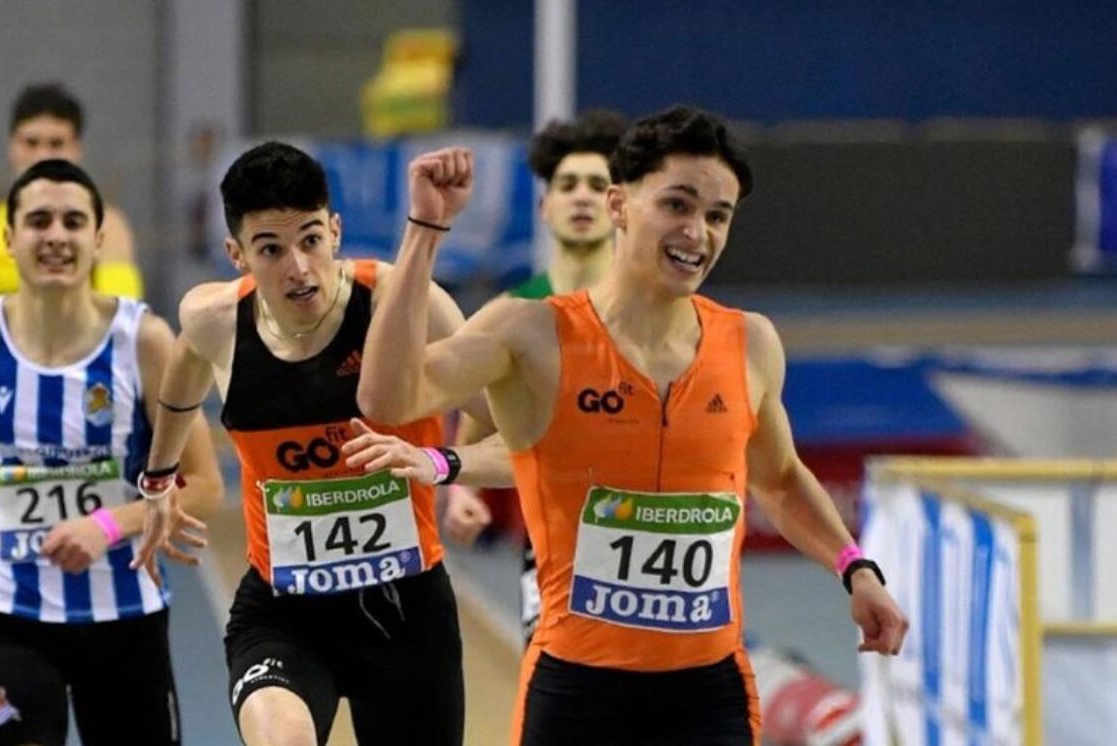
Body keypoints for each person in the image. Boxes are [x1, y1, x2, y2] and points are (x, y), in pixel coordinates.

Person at [357, 107, 910, 745]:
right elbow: (388, 398)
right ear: (620, 205)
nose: (696, 232)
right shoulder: (531, 332)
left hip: (710, 694)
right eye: (677, 204)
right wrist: (426, 231)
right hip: (578, 692)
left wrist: (856, 569)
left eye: (717, 215)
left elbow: (781, 480)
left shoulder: (750, 343)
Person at [131, 141, 493, 746]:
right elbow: (182, 382)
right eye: (270, 250)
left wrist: (446, 466)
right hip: (283, 610)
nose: (297, 268)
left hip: (405, 614)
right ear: (237, 255)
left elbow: (515, 428)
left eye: (310, 240)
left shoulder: (404, 307)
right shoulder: (214, 321)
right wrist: (159, 480)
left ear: (336, 231)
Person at [0, 159, 221, 745]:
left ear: (97, 240)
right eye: (39, 221)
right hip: (11, 615)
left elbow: (204, 485)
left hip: (125, 619)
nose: (56, 234)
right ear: (10, 239)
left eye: (73, 221)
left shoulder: (146, 343)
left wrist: (108, 523)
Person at [449, 109, 627, 646]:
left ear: (620, 206)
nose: (582, 197)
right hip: (555, 546)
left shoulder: (651, 311)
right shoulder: (513, 312)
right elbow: (478, 404)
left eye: (598, 186)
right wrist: (463, 487)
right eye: (567, 185)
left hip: (651, 533)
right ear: (544, 207)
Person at [0, 82, 144, 322]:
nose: (42, 156)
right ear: (12, 147)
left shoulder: (108, 227)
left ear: (76, 149)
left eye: (56, 144)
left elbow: (123, 320)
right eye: (31, 143)